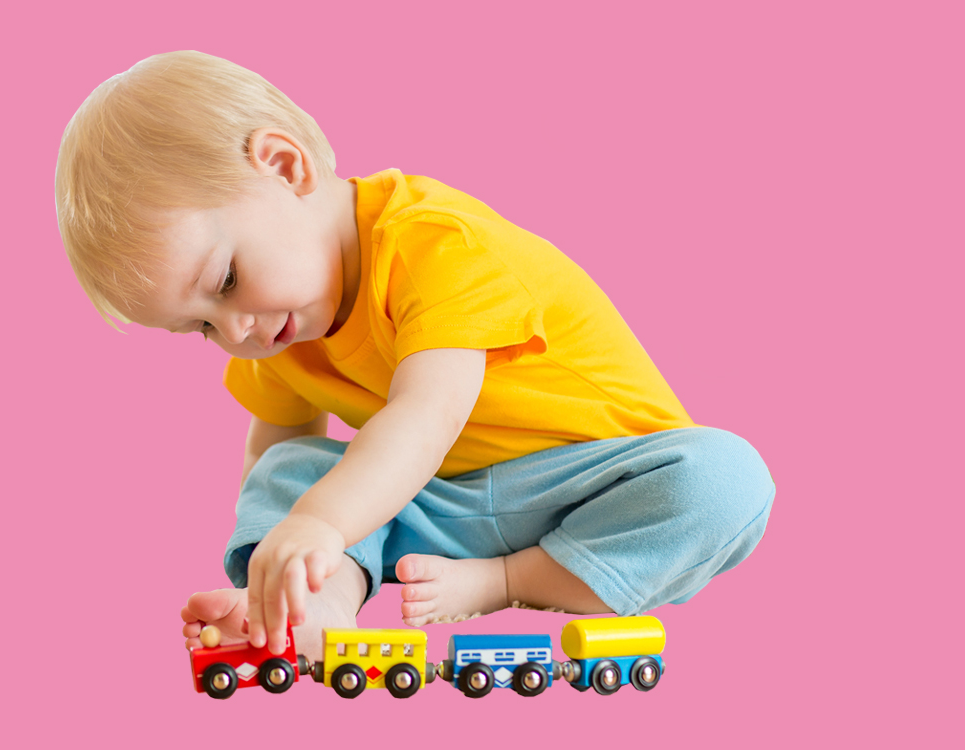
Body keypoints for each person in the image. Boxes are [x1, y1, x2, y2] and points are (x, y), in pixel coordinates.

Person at [54, 51, 775, 657]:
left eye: (225, 282)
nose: (235, 332)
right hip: (437, 508)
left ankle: (514, 580)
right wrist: (284, 556)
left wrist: (321, 523)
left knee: (724, 479)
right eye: (200, 328)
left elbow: (426, 418)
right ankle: (313, 608)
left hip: (592, 487)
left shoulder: (435, 245)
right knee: (287, 468)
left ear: (284, 167)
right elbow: (276, 456)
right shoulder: (274, 328)